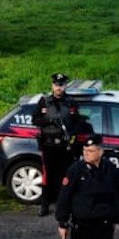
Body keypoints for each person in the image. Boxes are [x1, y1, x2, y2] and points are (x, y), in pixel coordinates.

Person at [33, 73, 79, 217]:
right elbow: (35, 120)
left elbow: (77, 121)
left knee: (64, 176)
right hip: (48, 145)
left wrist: (72, 134)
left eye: (62, 85)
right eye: (56, 85)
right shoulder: (44, 101)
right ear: (52, 86)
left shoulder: (71, 102)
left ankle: (62, 205)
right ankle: (44, 205)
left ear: (65, 86)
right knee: (48, 176)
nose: (59, 88)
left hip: (65, 146)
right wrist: (49, 121)